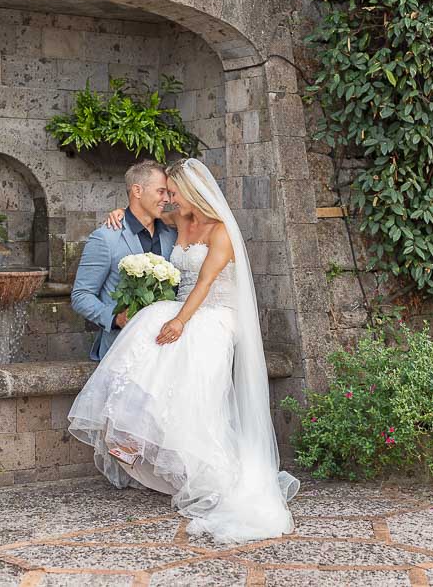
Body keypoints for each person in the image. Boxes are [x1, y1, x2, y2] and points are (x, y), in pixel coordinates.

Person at [68, 158, 298, 543]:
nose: (169, 199)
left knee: (174, 335)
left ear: (190, 193)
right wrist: (118, 214)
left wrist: (180, 322)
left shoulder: (221, 231)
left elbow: (205, 283)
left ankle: (191, 462)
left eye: (172, 193)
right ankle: (131, 435)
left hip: (214, 314)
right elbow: (138, 216)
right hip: (185, 309)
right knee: (153, 325)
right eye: (165, 193)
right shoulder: (177, 224)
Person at [70, 160, 177, 362]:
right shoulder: (105, 237)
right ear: (137, 191)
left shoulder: (172, 235)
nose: (166, 199)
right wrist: (115, 318)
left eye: (168, 193)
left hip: (167, 352)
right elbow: (81, 295)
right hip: (122, 350)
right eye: (161, 192)